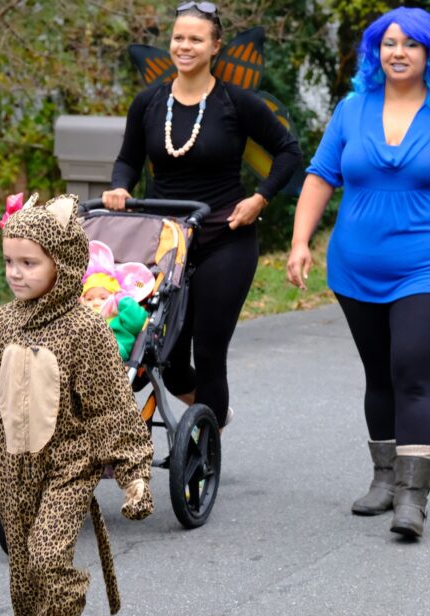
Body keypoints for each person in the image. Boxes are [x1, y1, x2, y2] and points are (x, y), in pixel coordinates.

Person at [286, 7, 430, 539]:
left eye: (411, 44)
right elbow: (319, 177)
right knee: (379, 374)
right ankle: (383, 477)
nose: (398, 52)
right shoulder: (352, 109)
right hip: (356, 265)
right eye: (388, 43)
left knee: (411, 371)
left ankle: (412, 496)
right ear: (376, 53)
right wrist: (300, 241)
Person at [0, 193, 154, 616]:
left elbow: (113, 410)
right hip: (14, 470)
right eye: (9, 262)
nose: (16, 272)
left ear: (63, 262)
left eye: (29, 262)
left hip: (68, 467)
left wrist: (134, 476)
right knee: (25, 577)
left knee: (48, 559)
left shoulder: (86, 330)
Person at [101, 1, 302, 428]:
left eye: (195, 39)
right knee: (167, 356)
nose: (184, 46)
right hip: (166, 243)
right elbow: (128, 160)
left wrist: (260, 198)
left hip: (224, 236)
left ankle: (202, 452)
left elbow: (288, 152)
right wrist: (120, 186)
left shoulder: (237, 102)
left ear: (215, 46)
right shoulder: (149, 103)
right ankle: (211, 419)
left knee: (209, 350)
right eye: (178, 38)